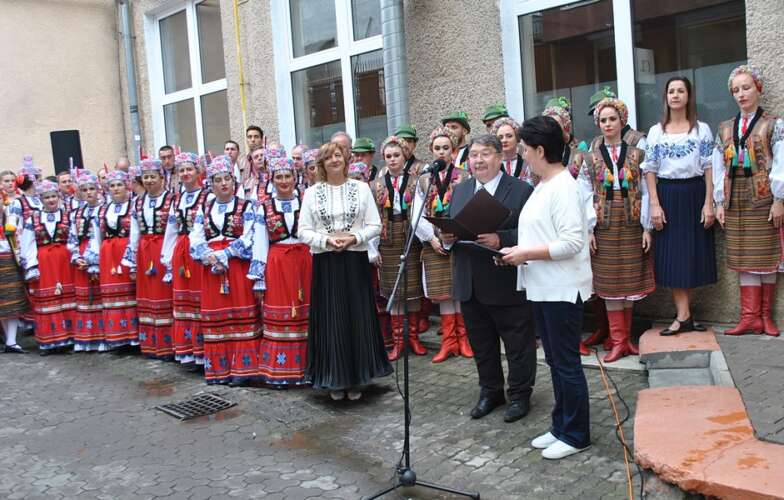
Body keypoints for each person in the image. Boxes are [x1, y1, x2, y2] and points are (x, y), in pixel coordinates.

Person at [501, 115, 593, 459]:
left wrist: (525, 253)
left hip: (562, 290)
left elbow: (571, 243)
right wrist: (518, 253)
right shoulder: (544, 185)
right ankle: (561, 426)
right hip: (542, 287)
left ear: (541, 150)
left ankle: (577, 433)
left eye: (525, 148)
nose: (522, 154)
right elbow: (541, 235)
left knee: (566, 364)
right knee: (555, 362)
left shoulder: (565, 187)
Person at [440, 134, 536, 423]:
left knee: (517, 343)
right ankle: (490, 391)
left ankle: (519, 395)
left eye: (484, 154)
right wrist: (445, 236)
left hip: (505, 279)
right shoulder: (460, 190)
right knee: (482, 344)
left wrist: (500, 238)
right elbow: (453, 227)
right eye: (473, 156)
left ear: (498, 157)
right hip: (470, 280)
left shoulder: (521, 190)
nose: (478, 161)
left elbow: (534, 234)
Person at [299, 141, 392, 401]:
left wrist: (353, 238)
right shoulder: (311, 193)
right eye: (328, 157)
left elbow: (374, 225)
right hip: (326, 262)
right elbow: (303, 230)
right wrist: (326, 241)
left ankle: (357, 378)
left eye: (338, 155)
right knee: (332, 320)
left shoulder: (361, 189)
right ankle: (334, 379)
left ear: (346, 159)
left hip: (354, 259)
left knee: (356, 318)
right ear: (322, 163)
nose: (334, 161)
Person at [642, 76, 717, 335]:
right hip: (667, 195)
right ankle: (683, 315)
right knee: (673, 256)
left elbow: (709, 167)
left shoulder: (702, 129)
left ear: (688, 96)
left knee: (692, 255)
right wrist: (654, 204)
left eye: (680, 90)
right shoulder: (656, 132)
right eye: (671, 91)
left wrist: (709, 203)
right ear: (666, 97)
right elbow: (649, 170)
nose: (675, 95)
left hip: (695, 193)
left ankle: (685, 315)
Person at [713, 65, 784, 336]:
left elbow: (781, 163)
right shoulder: (725, 128)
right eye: (736, 90)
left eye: (746, 88)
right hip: (736, 199)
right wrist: (719, 202)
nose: (741, 94)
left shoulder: (773, 125)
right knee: (743, 255)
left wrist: (779, 199)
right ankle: (748, 317)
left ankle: (765, 317)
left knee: (765, 255)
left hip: (764, 197)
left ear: (758, 89)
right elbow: (718, 167)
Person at [583, 98, 654, 361]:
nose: (608, 124)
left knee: (630, 280)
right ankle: (617, 341)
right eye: (603, 120)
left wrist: (647, 227)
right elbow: (584, 194)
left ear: (622, 121)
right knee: (611, 283)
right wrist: (589, 229)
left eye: (613, 119)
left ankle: (626, 341)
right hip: (603, 224)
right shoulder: (590, 158)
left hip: (632, 221)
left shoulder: (638, 154)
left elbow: (646, 192)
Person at [190, 155, 262, 385]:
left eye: (227, 179)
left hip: (236, 266)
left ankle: (244, 369)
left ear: (234, 181)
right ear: (211, 184)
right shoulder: (204, 208)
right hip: (212, 270)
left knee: (240, 313)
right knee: (217, 317)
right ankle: (220, 370)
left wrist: (225, 254)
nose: (223, 184)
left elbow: (250, 235)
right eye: (218, 180)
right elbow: (195, 236)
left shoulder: (247, 205)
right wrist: (207, 255)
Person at [251, 158, 312, 386]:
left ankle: (309, 367)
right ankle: (282, 371)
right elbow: (259, 242)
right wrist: (259, 278)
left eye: (288, 176)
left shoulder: (306, 202)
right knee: (281, 313)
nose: (284, 181)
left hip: (306, 263)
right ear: (272, 180)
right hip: (277, 265)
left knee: (308, 311)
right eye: (279, 177)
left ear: (295, 178)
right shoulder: (263, 207)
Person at [413, 126, 471, 363]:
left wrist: (457, 234)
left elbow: (470, 207)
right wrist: (431, 238)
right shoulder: (424, 179)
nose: (441, 152)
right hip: (434, 243)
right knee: (444, 294)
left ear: (454, 150)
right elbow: (416, 212)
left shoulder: (464, 176)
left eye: (446, 148)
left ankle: (464, 339)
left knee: (459, 290)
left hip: (459, 240)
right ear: (431, 150)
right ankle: (448, 342)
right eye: (437, 148)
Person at [370, 136, 426, 360]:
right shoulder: (376, 184)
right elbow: (372, 217)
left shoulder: (417, 180)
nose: (392, 160)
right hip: (387, 238)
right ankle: (398, 341)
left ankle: (413, 338)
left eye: (397, 155)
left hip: (409, 236)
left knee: (411, 290)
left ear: (405, 156)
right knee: (394, 289)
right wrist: (373, 250)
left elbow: (421, 211)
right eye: (388, 156)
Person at [122, 159, 175, 359]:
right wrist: (132, 261)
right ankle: (152, 344)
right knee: (148, 295)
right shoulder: (137, 202)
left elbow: (174, 231)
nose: (150, 180)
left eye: (153, 176)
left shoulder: (172, 199)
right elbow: (134, 234)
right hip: (145, 252)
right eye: (146, 177)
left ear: (162, 178)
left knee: (165, 294)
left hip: (163, 249)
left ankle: (169, 345)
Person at [161, 153, 210, 366]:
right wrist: (167, 258)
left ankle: (206, 350)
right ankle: (189, 351)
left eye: (189, 169)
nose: (185, 173)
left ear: (198, 172)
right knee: (185, 301)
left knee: (201, 298)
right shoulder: (177, 199)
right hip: (182, 250)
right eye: (181, 170)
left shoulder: (208, 196)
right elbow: (171, 229)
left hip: (199, 250)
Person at [19, 180, 76, 354]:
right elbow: (27, 243)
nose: (51, 200)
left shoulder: (68, 215)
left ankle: (69, 337)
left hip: (64, 261)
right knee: (47, 299)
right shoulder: (33, 218)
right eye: (47, 197)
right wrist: (31, 265)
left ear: (58, 197)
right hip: (44, 262)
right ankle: (49, 340)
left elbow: (74, 238)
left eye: (53, 196)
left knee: (67, 298)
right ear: (41, 199)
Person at [87, 170, 138, 349]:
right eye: (112, 185)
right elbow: (96, 236)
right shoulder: (102, 210)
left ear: (127, 186)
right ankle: (117, 336)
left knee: (130, 294)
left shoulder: (134, 207)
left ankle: (133, 336)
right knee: (112, 296)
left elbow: (136, 234)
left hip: (125, 253)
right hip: (109, 255)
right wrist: (94, 259)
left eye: (119, 185)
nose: (116, 189)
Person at [67, 171, 105, 351]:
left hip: (101, 254)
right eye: (84, 190)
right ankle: (88, 337)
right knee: (85, 297)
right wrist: (76, 256)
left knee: (100, 296)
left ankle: (105, 335)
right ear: (79, 192)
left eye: (91, 189)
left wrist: (96, 258)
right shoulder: (75, 213)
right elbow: (72, 237)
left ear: (98, 190)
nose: (89, 193)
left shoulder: (105, 208)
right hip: (82, 254)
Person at [0, 195, 30, 353]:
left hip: (9, 259)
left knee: (11, 299)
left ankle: (11, 340)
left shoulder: (10, 215)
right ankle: (8, 339)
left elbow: (19, 235)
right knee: (2, 303)